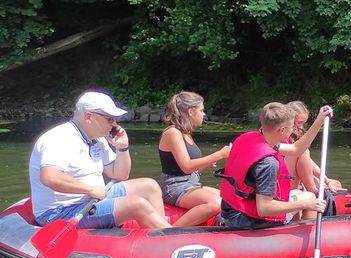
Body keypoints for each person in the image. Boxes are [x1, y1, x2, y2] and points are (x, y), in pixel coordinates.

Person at [28, 90, 170, 230]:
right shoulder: (60, 138)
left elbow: (120, 175)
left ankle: (161, 231)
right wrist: (90, 189)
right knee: (136, 204)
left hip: (94, 198)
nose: (114, 124)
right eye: (109, 119)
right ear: (89, 116)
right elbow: (50, 178)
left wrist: (122, 148)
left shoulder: (98, 139)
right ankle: (168, 238)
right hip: (60, 212)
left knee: (150, 186)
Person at [218, 102, 331, 229]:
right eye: (291, 127)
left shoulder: (249, 138)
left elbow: (296, 149)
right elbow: (264, 209)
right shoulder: (268, 164)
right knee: (309, 198)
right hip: (245, 218)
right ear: (282, 130)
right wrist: (304, 205)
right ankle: (302, 238)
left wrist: (319, 121)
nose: (294, 129)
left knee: (303, 194)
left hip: (230, 209)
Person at [157, 92, 231, 228]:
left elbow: (185, 166)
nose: (204, 114)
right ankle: (168, 232)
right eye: (201, 110)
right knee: (216, 203)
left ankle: (222, 225)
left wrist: (207, 163)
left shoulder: (185, 133)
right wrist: (220, 154)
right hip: (174, 187)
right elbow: (186, 166)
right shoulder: (173, 133)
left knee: (229, 197)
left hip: (190, 183)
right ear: (191, 111)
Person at [285, 101, 343, 199]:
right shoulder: (280, 136)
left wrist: (327, 181)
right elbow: (299, 153)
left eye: (303, 123)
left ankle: (316, 192)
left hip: (296, 178)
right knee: (304, 152)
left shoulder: (296, 136)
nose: (301, 127)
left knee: (336, 184)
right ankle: (314, 193)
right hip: (286, 181)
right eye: (299, 123)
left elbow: (308, 163)